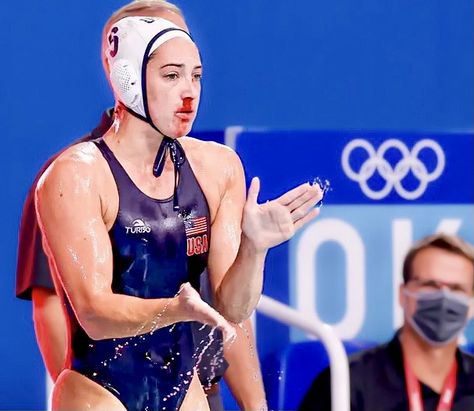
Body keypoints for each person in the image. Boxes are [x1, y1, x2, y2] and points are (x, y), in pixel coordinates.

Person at [34, 1, 323, 410]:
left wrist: (254, 250)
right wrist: (175, 309)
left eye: (196, 76)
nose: (189, 92)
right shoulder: (77, 175)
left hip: (185, 387)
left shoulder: (218, 168)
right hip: (101, 389)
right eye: (172, 76)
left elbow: (231, 309)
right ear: (129, 77)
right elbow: (94, 314)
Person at [299, 233, 474, 411]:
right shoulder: (346, 383)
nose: (443, 298)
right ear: (402, 294)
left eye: (456, 289)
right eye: (430, 285)